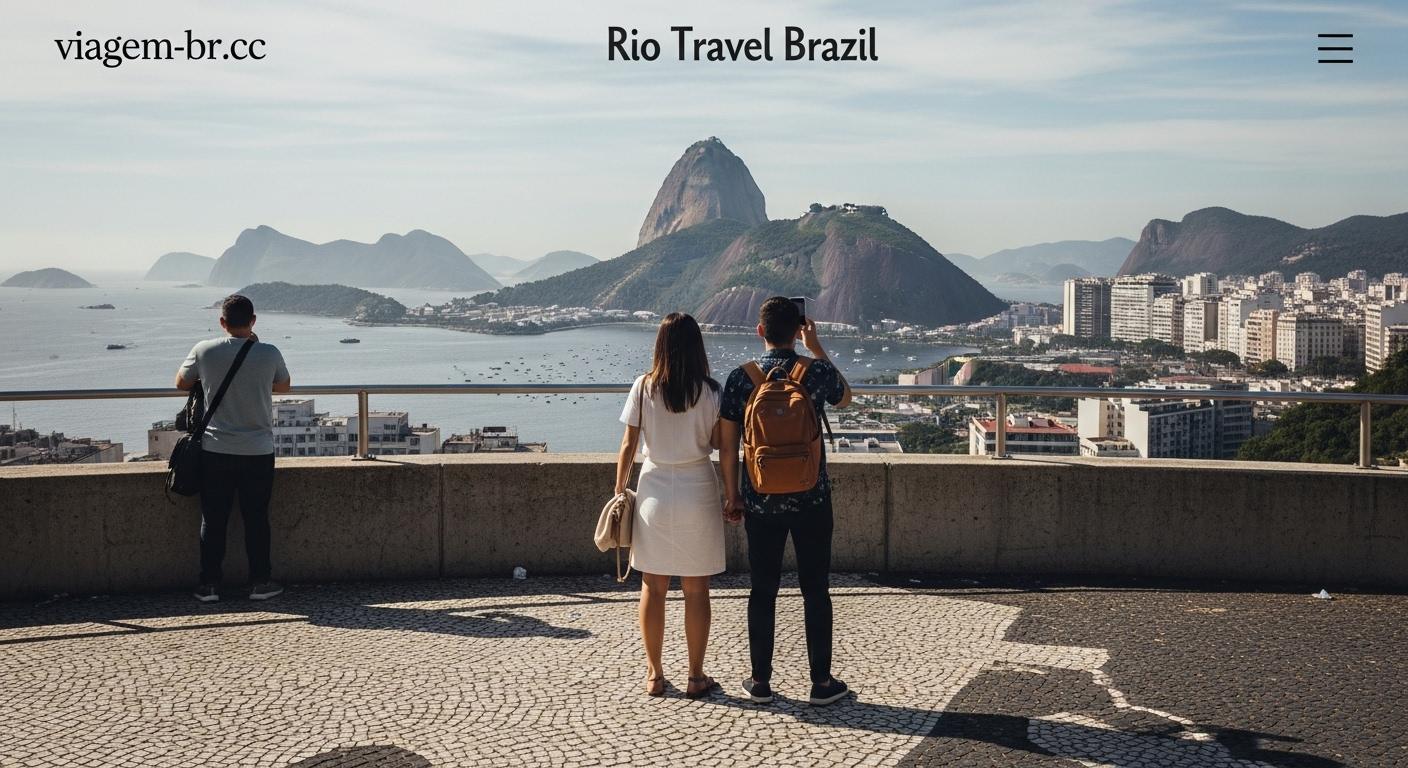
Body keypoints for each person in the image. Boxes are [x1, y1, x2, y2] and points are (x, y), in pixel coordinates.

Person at [719, 296, 852, 706]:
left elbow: (727, 446)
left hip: (760, 502)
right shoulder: (815, 372)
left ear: (760, 331)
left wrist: (733, 495)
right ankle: (821, 683)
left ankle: (760, 682)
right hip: (812, 499)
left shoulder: (741, 379)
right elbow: (845, 398)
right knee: (816, 589)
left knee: (763, 590)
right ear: (798, 330)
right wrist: (816, 347)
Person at [615, 312, 726, 698]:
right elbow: (718, 443)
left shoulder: (643, 387)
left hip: (654, 491)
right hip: (698, 488)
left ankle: (655, 674)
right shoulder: (711, 391)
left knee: (653, 585)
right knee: (697, 590)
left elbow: (628, 445)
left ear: (659, 346)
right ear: (697, 347)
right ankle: (696, 675)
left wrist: (619, 490)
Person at [176, 294, 292, 603]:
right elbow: (283, 386)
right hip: (258, 450)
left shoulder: (204, 350)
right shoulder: (269, 352)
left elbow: (181, 383)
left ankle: (209, 585)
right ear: (253, 321)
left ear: (222, 322)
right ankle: (260, 583)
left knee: (214, 519)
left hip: (216, 450)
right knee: (256, 519)